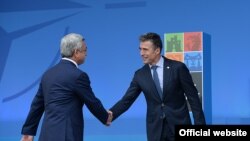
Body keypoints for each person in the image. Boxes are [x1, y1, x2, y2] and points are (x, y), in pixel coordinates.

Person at [109, 32, 206, 141]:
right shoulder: (140, 75)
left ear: (157, 50)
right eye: (140, 49)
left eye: (145, 49)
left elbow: (193, 99)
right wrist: (110, 114)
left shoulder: (178, 68)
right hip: (156, 130)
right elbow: (127, 100)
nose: (141, 53)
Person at [20, 33, 112, 141]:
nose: (87, 54)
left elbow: (37, 105)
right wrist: (105, 117)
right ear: (76, 52)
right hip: (67, 136)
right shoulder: (78, 76)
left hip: (46, 135)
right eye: (85, 50)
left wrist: (28, 132)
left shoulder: (48, 74)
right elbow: (91, 102)